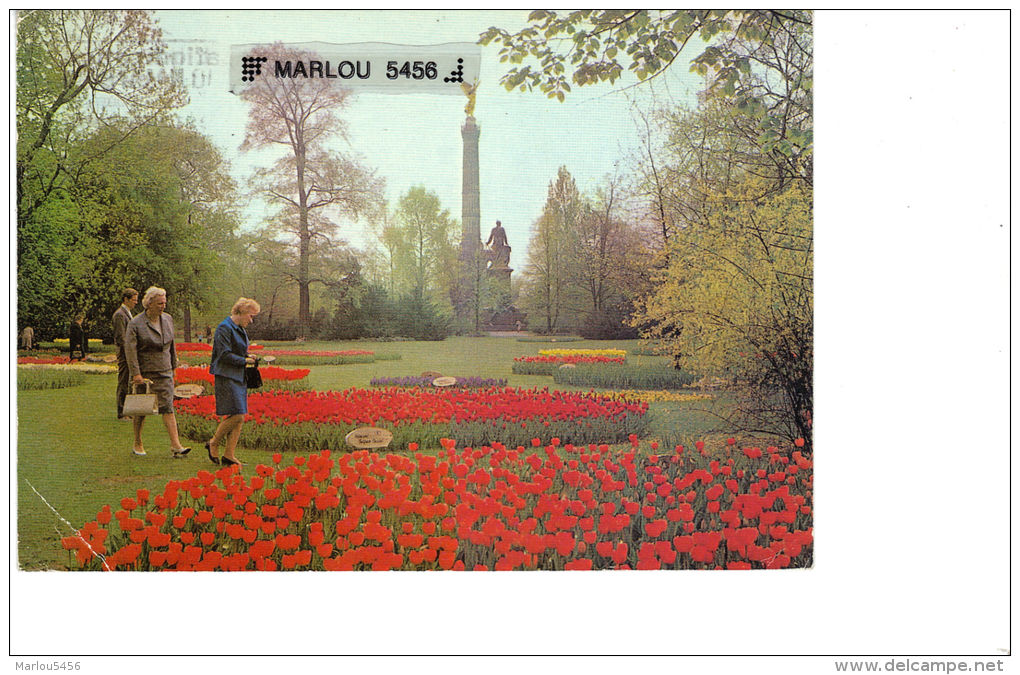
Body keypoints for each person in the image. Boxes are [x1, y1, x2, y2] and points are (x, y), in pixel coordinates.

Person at [124, 286, 191, 458]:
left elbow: (172, 345)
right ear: (150, 303)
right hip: (145, 372)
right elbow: (130, 350)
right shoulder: (136, 323)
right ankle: (137, 442)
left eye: (165, 303)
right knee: (141, 409)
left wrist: (174, 365)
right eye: (160, 303)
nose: (163, 306)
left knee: (168, 407)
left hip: (165, 369)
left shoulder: (167, 319)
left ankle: (176, 445)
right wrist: (136, 373)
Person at [206, 297, 260, 468]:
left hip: (238, 375)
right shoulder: (224, 328)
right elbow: (223, 355)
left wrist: (248, 355)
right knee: (237, 414)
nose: (251, 320)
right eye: (250, 316)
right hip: (226, 374)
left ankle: (229, 454)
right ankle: (214, 442)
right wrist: (244, 361)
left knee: (238, 416)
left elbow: (238, 350)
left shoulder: (239, 328)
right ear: (242, 312)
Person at [112, 288, 138, 420]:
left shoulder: (126, 313)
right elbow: (121, 338)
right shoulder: (120, 315)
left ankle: (127, 410)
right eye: (133, 300)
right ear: (126, 299)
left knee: (128, 382)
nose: (135, 303)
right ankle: (121, 412)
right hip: (124, 354)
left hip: (128, 353)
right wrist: (129, 352)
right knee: (123, 381)